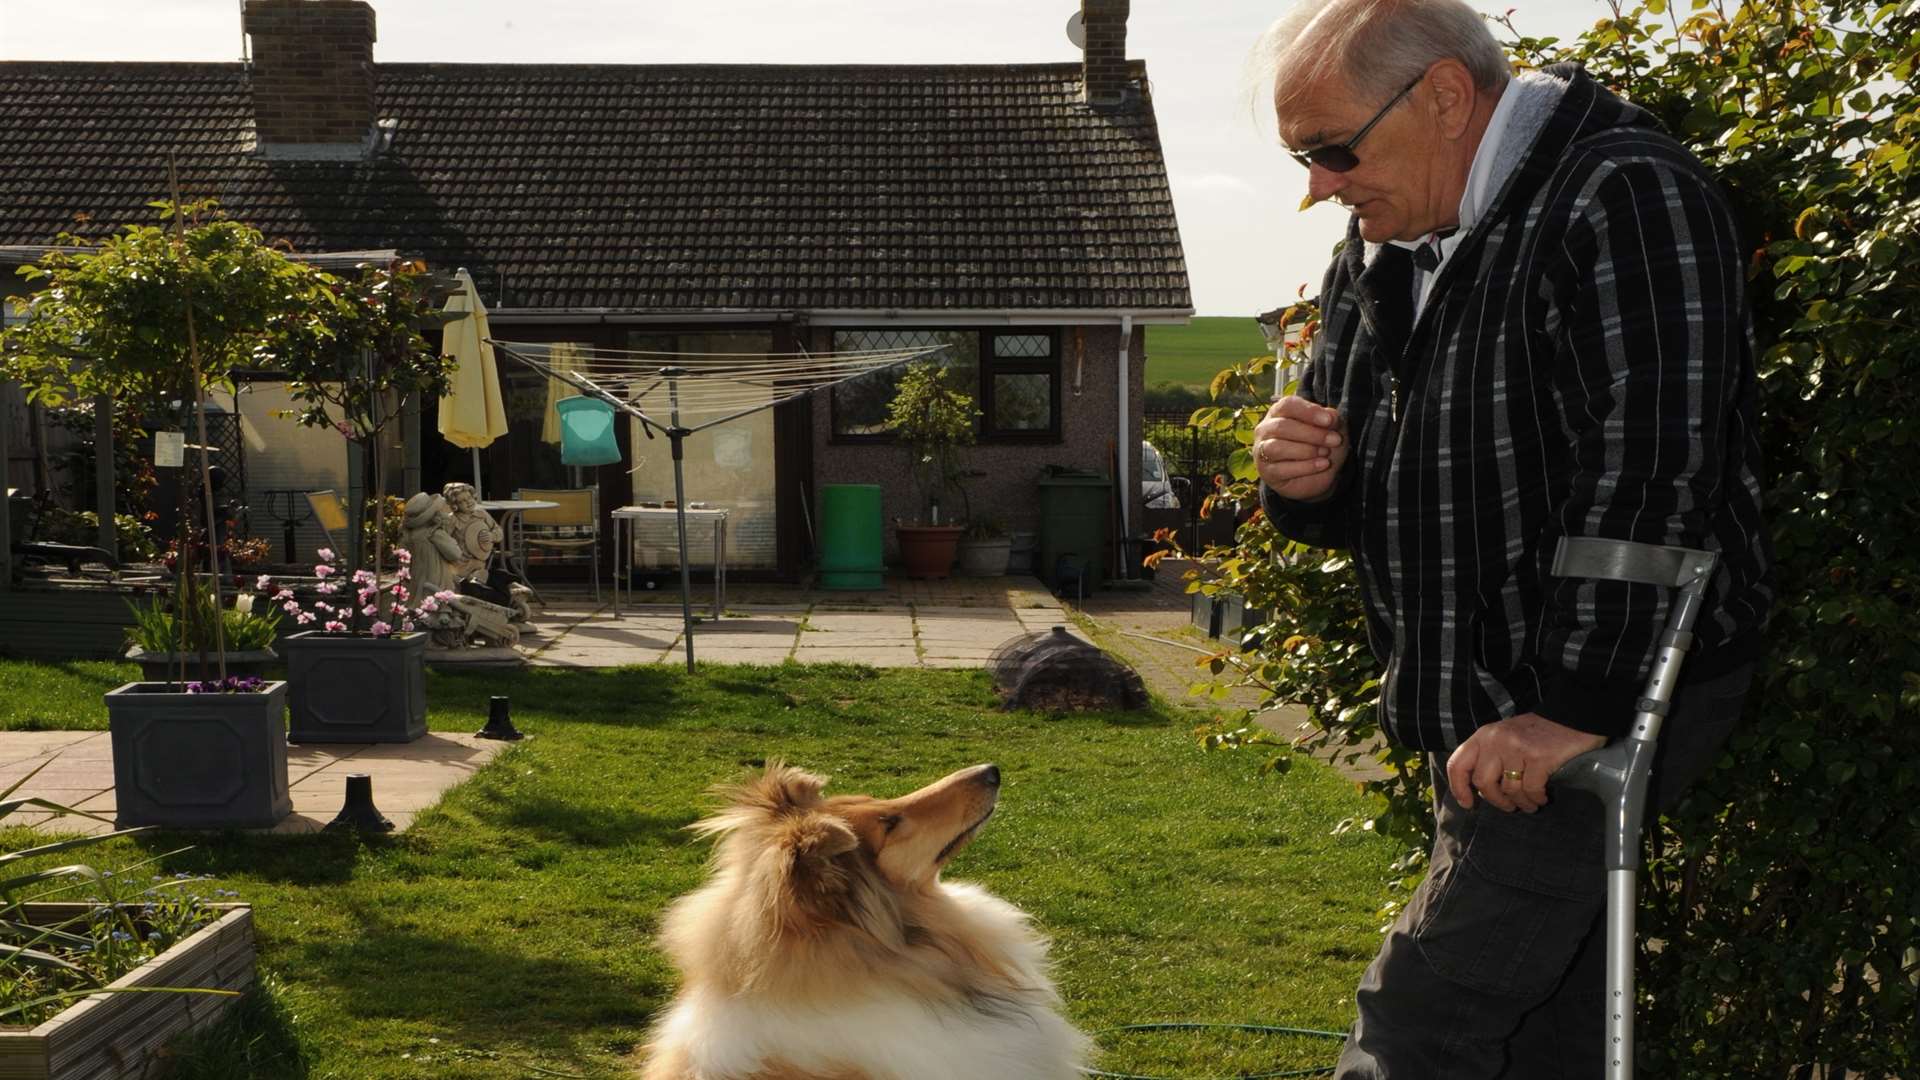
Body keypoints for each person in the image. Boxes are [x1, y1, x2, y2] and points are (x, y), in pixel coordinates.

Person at [1250, 0, 1773, 1075]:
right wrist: (1304, 482)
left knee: (1422, 1022)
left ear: (1444, 96)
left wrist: (1572, 709)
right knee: (1546, 1031)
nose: (1319, 188)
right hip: (1493, 710)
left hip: (1590, 700)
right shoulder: (1383, 241)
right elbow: (1353, 482)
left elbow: (1654, 471)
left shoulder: (1627, 194)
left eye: (1332, 151)